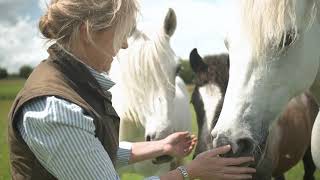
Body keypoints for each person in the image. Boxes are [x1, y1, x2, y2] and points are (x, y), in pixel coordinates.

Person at [8, 0, 256, 179]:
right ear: (87, 33)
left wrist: (161, 147)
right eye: (120, 34)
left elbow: (94, 151)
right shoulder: (55, 109)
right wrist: (189, 172)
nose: (125, 45)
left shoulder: (74, 83)